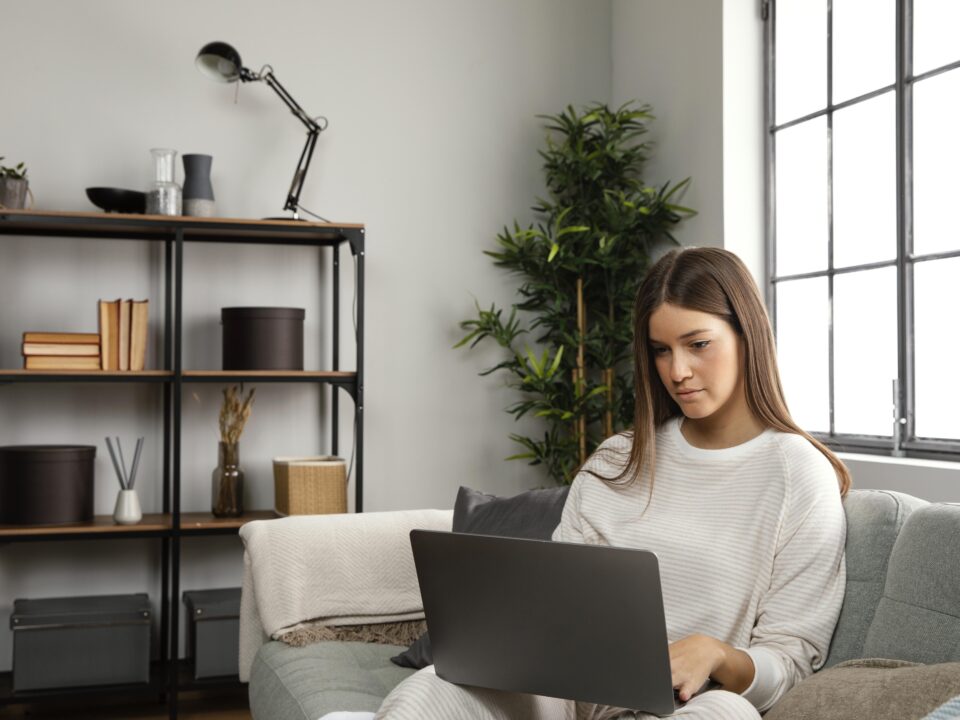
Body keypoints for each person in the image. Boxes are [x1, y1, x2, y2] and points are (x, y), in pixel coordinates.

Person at [371, 246, 849, 720]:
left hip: (692, 706)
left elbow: (792, 660)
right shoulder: (618, 458)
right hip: (563, 693)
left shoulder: (798, 475)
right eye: (661, 351)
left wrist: (717, 654)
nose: (677, 371)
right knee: (429, 689)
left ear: (749, 335)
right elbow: (555, 601)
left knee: (726, 715)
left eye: (698, 344)